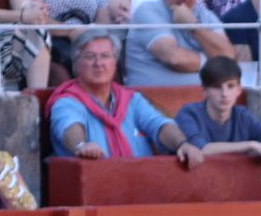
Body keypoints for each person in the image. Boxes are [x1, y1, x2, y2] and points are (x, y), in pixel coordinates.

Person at [47, 28, 205, 165]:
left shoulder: (131, 99)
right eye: (90, 56)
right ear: (76, 64)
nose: (98, 63)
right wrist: (81, 146)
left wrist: (182, 144)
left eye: (105, 56)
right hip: (94, 187)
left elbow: (159, 124)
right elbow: (68, 126)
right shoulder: (67, 101)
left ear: (115, 62)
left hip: (143, 182)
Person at [124, 0, 236, 86]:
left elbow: (228, 56)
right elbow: (174, 58)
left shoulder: (205, 15)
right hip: (152, 99)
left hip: (202, 99)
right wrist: (215, 62)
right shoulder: (146, 11)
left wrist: (193, 26)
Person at [173, 55, 261, 160]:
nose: (224, 93)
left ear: (239, 89)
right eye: (217, 87)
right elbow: (199, 149)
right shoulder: (189, 114)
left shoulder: (241, 115)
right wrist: (251, 145)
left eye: (230, 86)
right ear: (205, 90)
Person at [25, 0, 132, 84]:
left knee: (108, 62)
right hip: (52, 41)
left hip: (88, 37)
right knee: (60, 75)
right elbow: (36, 17)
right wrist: (70, 31)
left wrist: (92, 33)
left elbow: (103, 15)